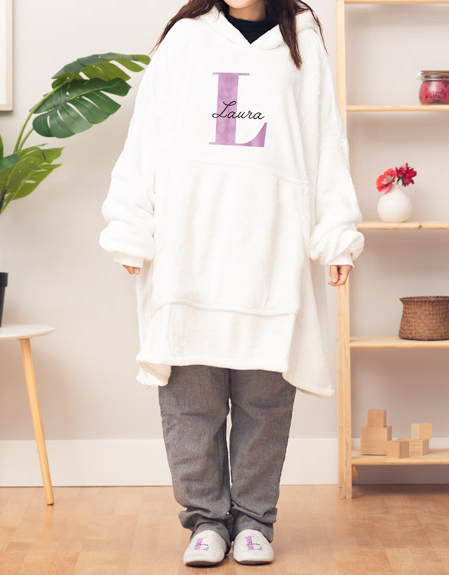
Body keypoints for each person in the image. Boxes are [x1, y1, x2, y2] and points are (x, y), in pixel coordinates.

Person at [99, 0, 364, 567]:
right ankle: (205, 521)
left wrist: (336, 233)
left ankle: (253, 522)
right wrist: (129, 225)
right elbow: (146, 133)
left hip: (270, 249)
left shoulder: (301, 40)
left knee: (264, 401)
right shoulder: (186, 39)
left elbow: (325, 142)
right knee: (190, 399)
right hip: (190, 247)